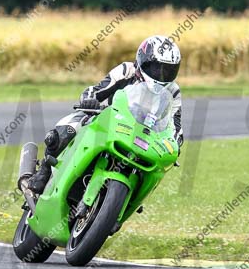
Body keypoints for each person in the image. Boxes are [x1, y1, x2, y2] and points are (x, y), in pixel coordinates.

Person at [27, 35, 183, 195]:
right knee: (69, 128)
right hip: (107, 121)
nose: (161, 74)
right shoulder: (126, 71)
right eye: (156, 68)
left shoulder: (173, 91)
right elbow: (96, 90)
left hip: (143, 136)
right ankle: (44, 170)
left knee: (155, 168)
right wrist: (89, 100)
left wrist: (175, 145)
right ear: (143, 61)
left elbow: (175, 127)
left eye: (168, 70)